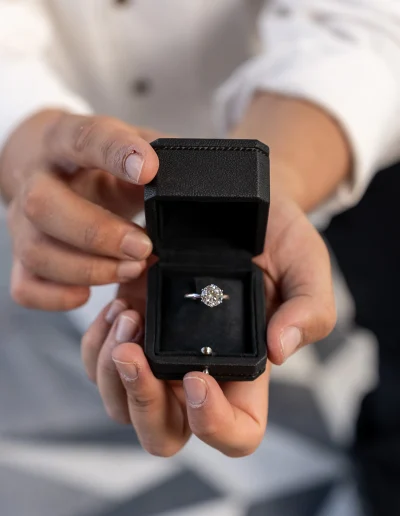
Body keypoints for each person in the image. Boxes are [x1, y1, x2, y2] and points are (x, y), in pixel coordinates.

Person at [0, 1, 399, 513]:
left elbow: (368, 16)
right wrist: (23, 133)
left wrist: (280, 186)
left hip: (306, 128)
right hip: (99, 168)